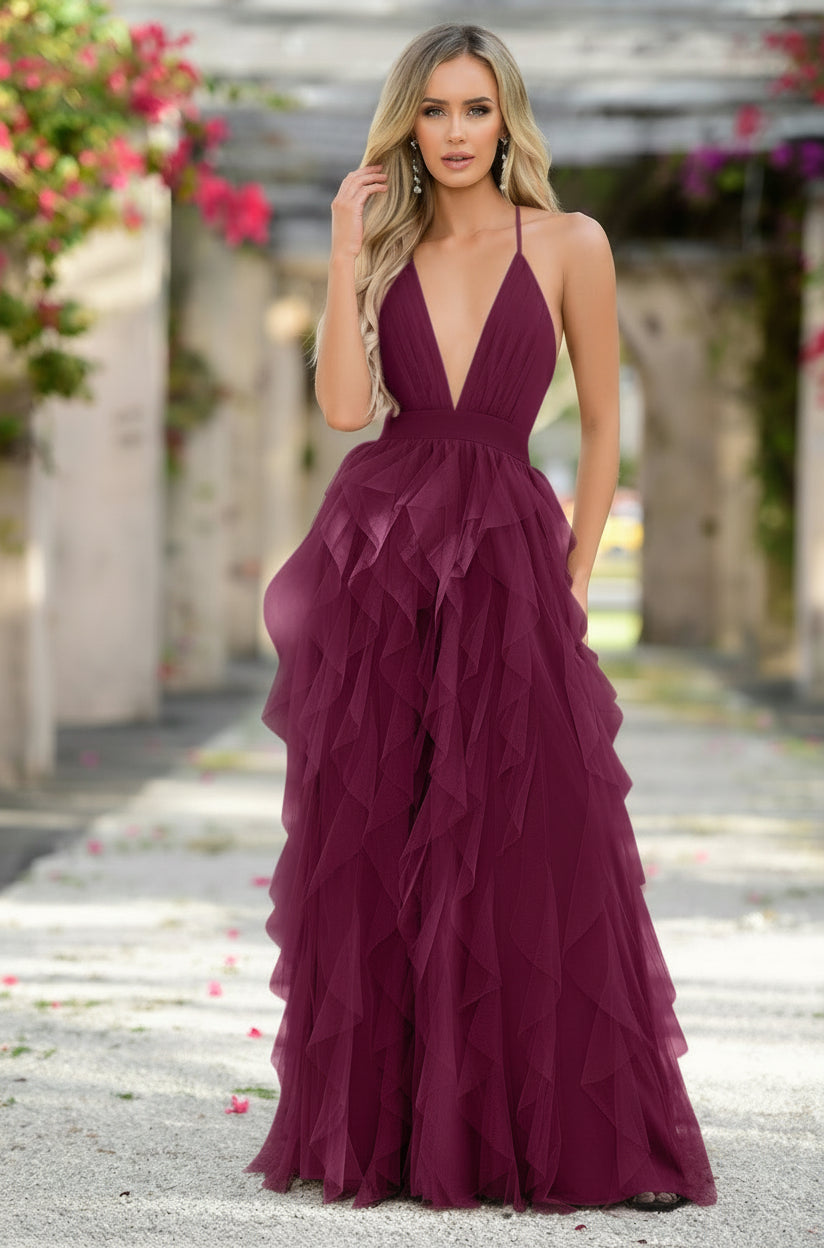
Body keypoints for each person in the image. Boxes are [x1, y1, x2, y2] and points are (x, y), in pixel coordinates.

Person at [245, 22, 717, 1216]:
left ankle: (575, 1134)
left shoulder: (570, 242)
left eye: (475, 110)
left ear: (506, 119)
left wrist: (571, 578)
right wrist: (347, 246)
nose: (455, 134)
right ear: (406, 123)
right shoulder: (386, 244)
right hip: (384, 555)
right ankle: (399, 1137)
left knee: (533, 833)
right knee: (385, 836)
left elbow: (605, 428)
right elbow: (352, 412)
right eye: (434, 111)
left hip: (510, 553)